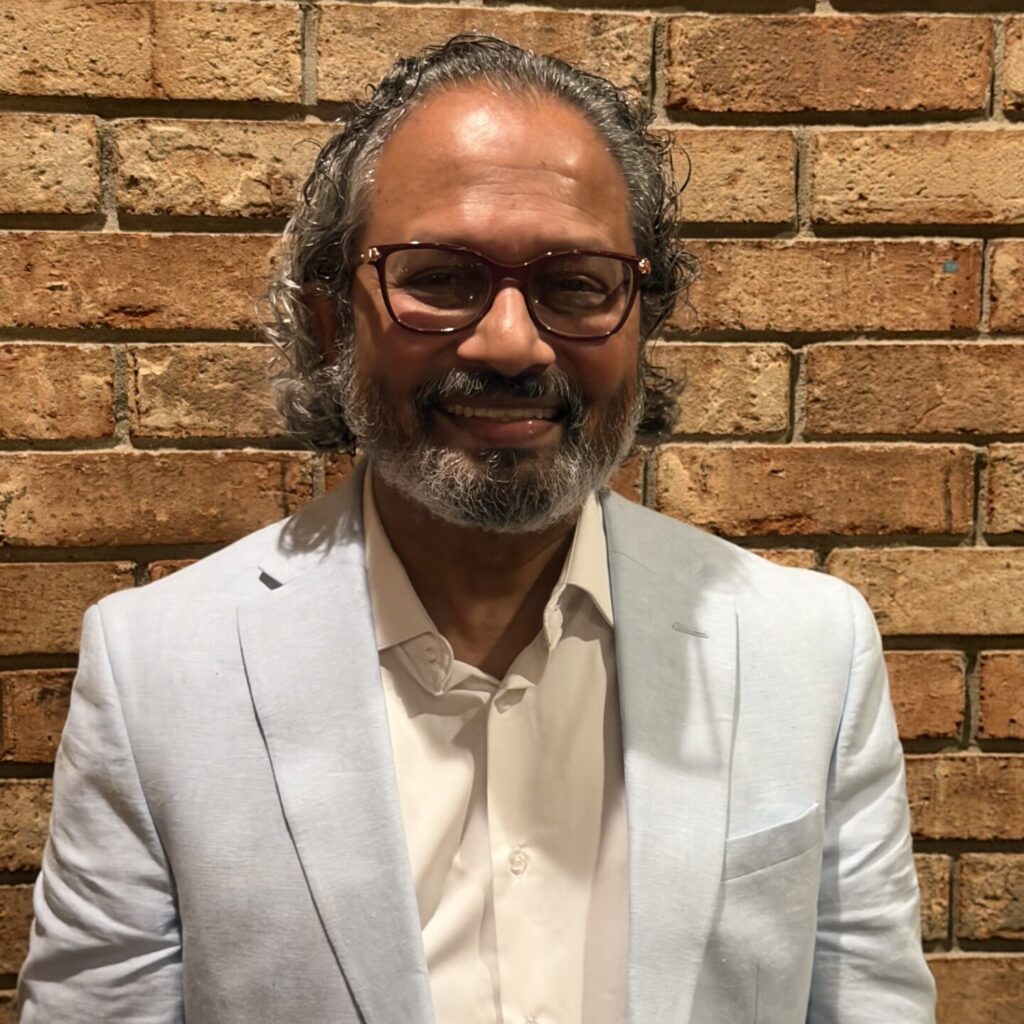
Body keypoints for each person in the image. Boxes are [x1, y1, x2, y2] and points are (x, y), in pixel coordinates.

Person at [18, 34, 936, 1024]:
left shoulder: (808, 650)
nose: (509, 343)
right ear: (332, 322)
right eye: (441, 278)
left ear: (642, 320)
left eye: (576, 282)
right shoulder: (156, 671)